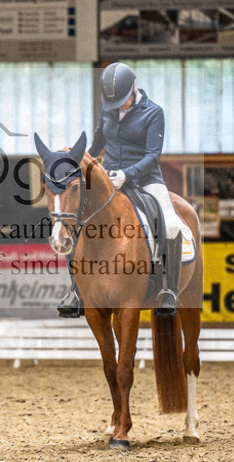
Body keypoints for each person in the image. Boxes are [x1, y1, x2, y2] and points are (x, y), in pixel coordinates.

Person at [57, 62, 185, 318]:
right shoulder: (108, 110)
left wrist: (128, 174)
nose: (118, 108)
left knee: (171, 224)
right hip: (108, 179)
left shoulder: (153, 113)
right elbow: (96, 146)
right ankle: (76, 291)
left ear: (133, 89)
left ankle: (168, 290)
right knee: (75, 219)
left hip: (146, 179)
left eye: (123, 102)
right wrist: (77, 162)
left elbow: (152, 156)